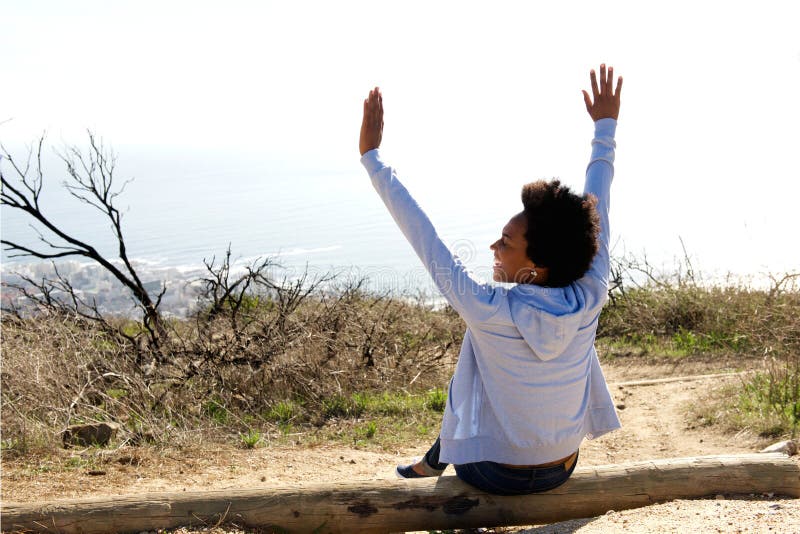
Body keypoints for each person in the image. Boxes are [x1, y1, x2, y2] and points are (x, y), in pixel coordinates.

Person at [358, 64, 623, 495]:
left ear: (536, 265)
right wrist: (605, 128)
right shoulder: (591, 291)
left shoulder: (489, 307)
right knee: (485, 335)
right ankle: (432, 458)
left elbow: (424, 237)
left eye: (504, 242)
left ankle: (436, 460)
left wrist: (372, 159)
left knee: (478, 336)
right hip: (563, 466)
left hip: (495, 475)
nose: (492, 249)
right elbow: (599, 204)